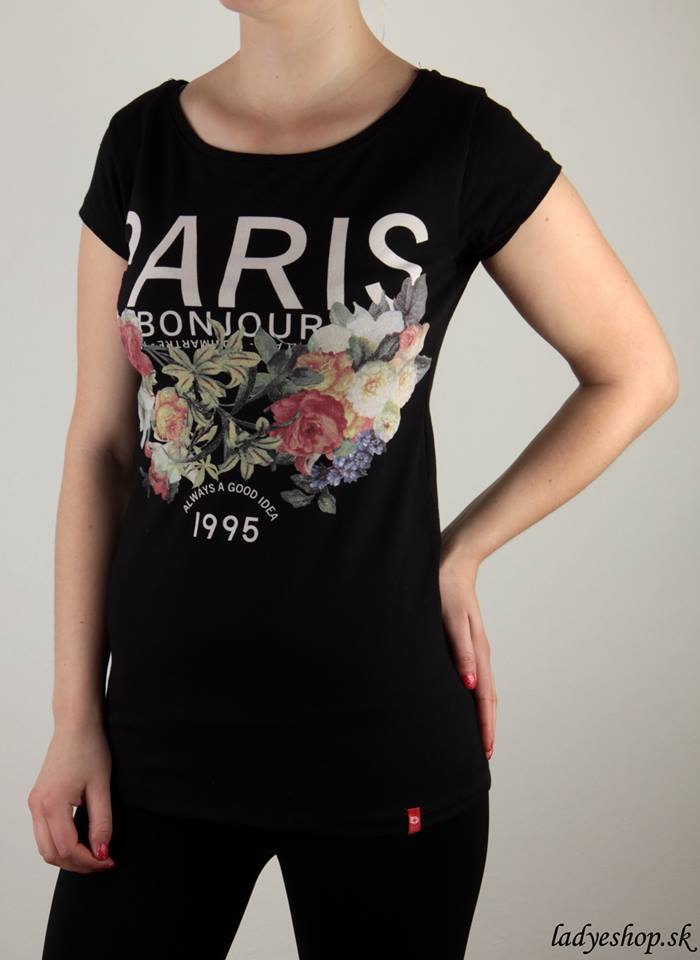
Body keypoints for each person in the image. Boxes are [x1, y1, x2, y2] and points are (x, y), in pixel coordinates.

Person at [30, 1, 678, 958]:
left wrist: (463, 550)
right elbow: (102, 447)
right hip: (153, 743)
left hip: (380, 740)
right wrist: (73, 717)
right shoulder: (142, 144)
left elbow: (636, 371)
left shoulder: (457, 140)